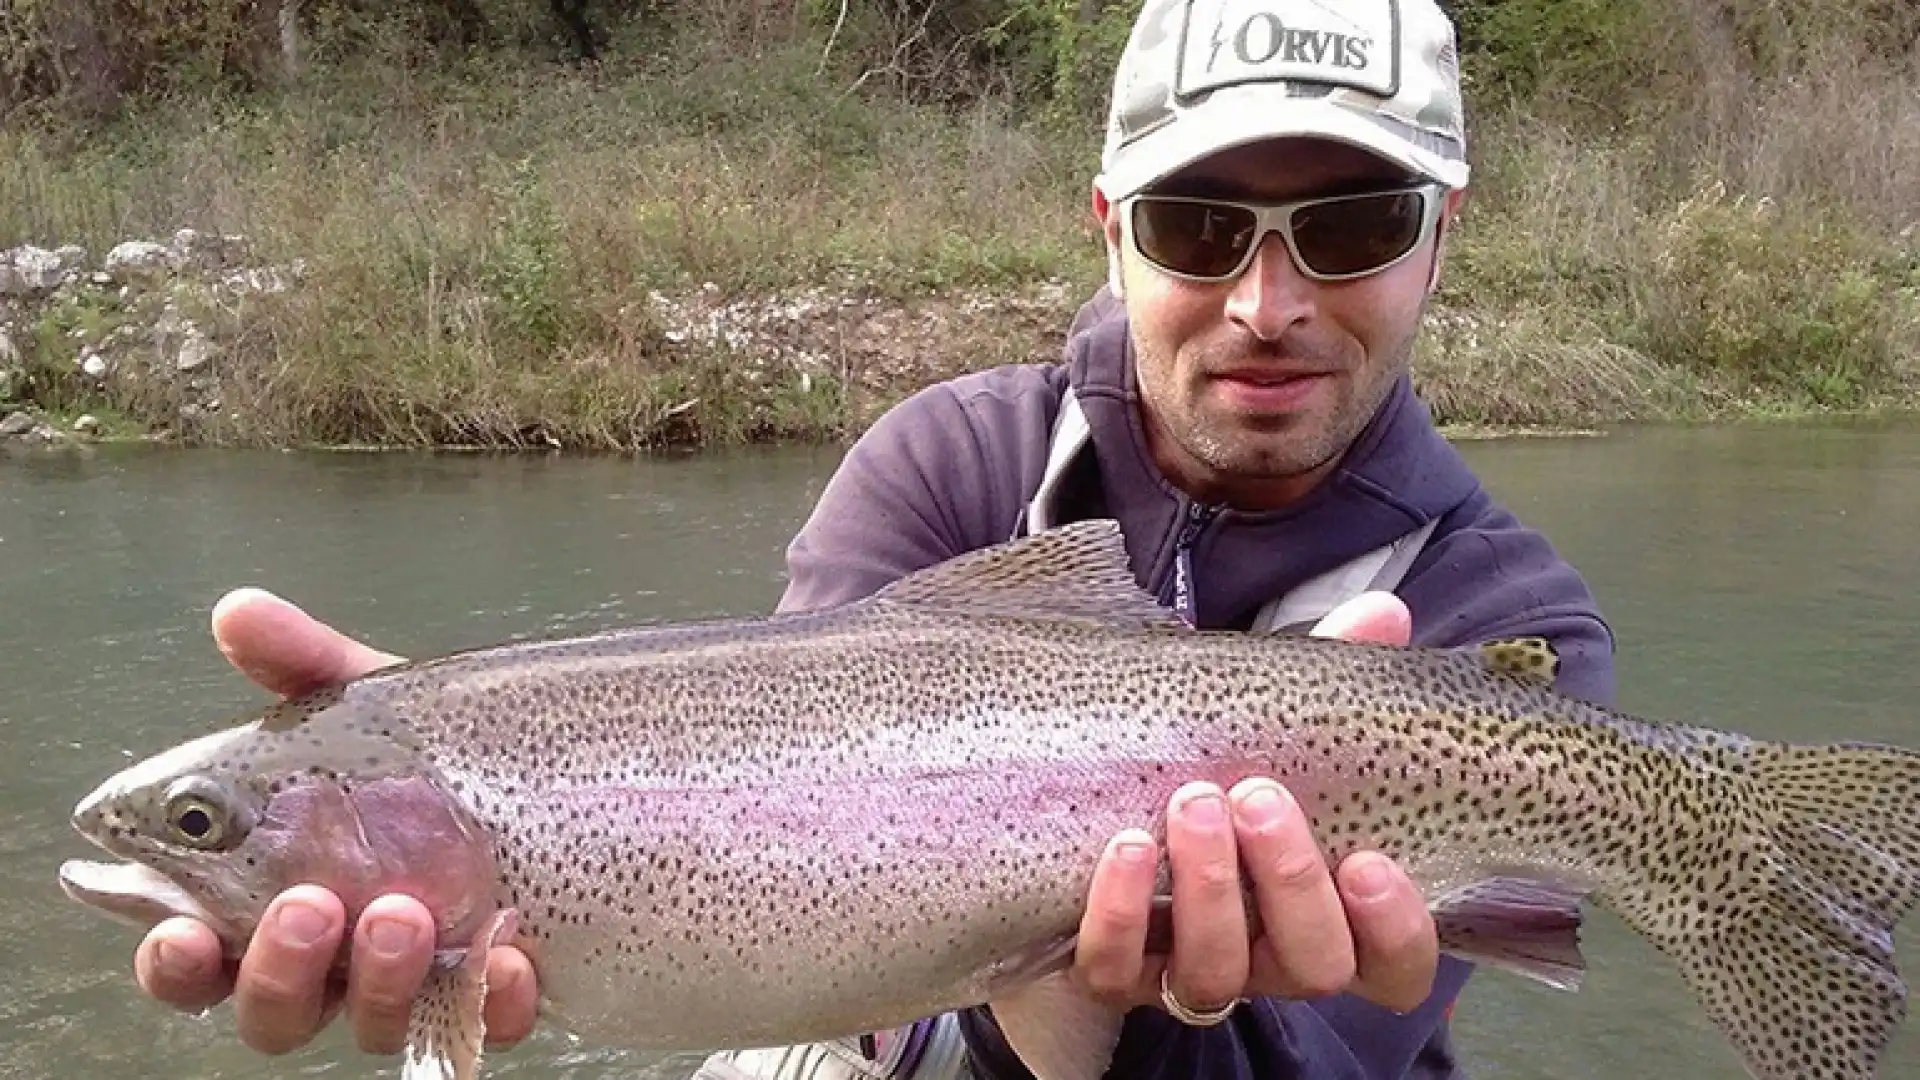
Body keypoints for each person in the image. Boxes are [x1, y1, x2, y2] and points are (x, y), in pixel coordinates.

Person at [126, 0, 1617, 1076]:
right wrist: (512, 759)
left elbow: (1338, 1054)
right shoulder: (954, 456)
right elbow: (797, 822)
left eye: (1350, 227)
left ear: (1443, 232)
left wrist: (1155, 1007)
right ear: (1108, 223)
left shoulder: (1498, 614)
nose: (1268, 302)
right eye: (1198, 226)